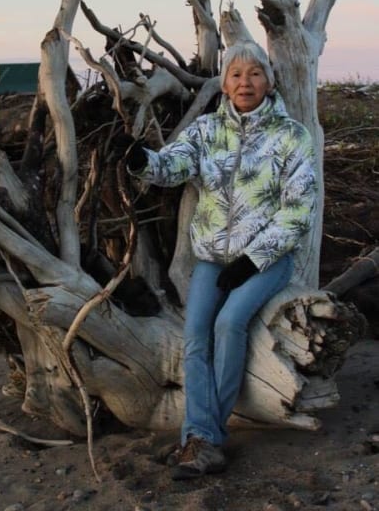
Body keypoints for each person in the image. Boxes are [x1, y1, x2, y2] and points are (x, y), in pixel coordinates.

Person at [121, 41, 317, 481]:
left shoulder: (291, 137)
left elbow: (299, 211)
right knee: (195, 336)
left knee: (229, 324)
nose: (244, 82)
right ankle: (202, 438)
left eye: (254, 74)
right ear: (224, 83)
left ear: (269, 80)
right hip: (212, 260)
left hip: (268, 260)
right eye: (235, 74)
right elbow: (171, 167)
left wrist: (252, 260)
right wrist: (141, 162)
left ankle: (204, 437)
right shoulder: (207, 131)